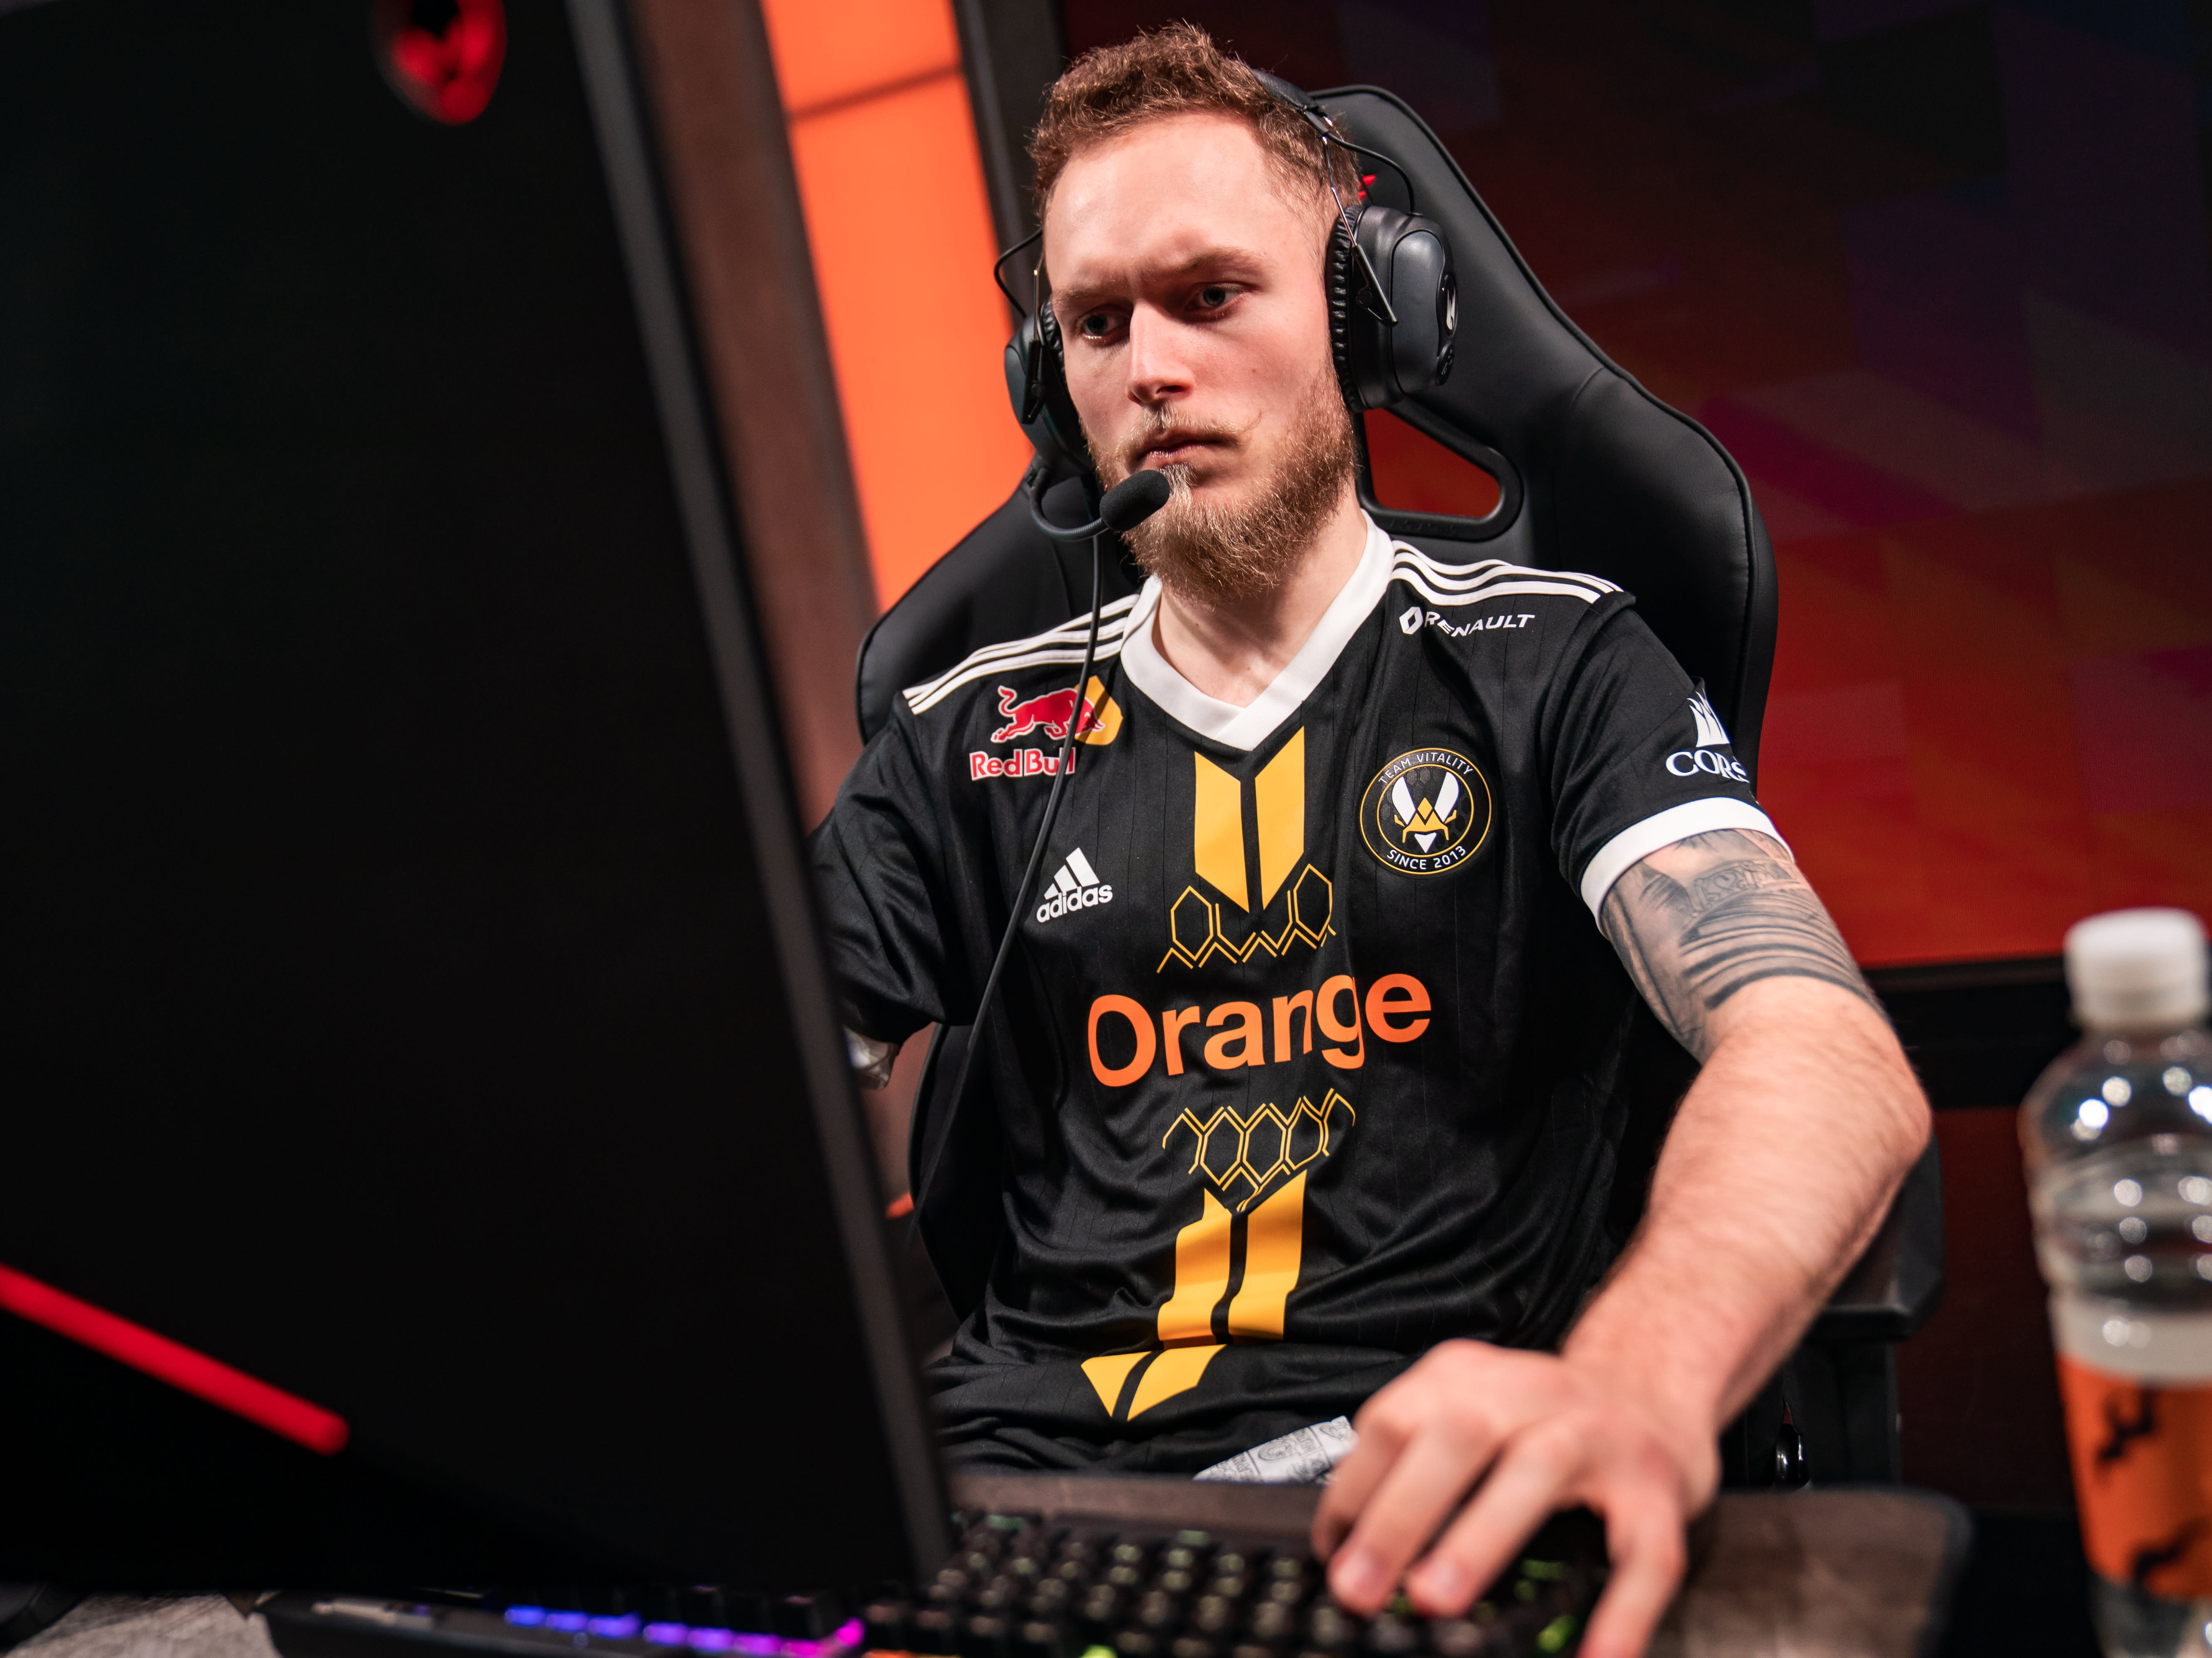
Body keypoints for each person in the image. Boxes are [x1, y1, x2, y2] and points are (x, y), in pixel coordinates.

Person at [809, 24, 1929, 1658]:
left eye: (1211, 295)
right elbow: (729, 1107)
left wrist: (1638, 1380)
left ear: (1361, 318)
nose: (1149, 368)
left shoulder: (1557, 661)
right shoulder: (963, 732)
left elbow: (1821, 1052)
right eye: (1098, 322)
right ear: (1050, 380)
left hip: (1406, 1500)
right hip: (1003, 1521)